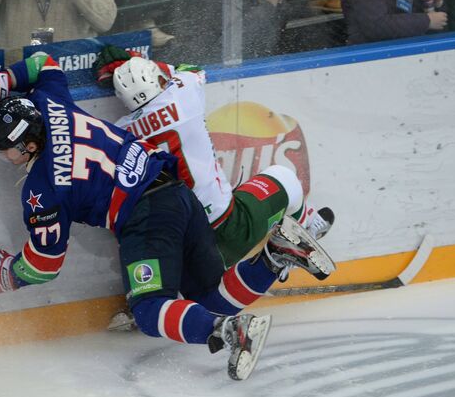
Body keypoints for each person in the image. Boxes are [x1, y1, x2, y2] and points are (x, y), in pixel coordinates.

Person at [0, 51, 336, 381]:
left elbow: (44, 265)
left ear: (29, 144)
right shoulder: (50, 103)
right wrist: (3, 81)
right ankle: (274, 258)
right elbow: (45, 64)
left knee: (148, 309)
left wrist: (6, 275)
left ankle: (231, 331)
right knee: (206, 296)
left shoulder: (41, 188)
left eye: (8, 149)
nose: (7, 158)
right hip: (178, 193)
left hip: (145, 218)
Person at [101, 51, 335, 268]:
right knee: (284, 178)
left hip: (178, 249)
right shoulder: (182, 95)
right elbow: (192, 70)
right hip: (225, 228)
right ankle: (305, 231)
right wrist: (138, 57)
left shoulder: (120, 133)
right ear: (156, 79)